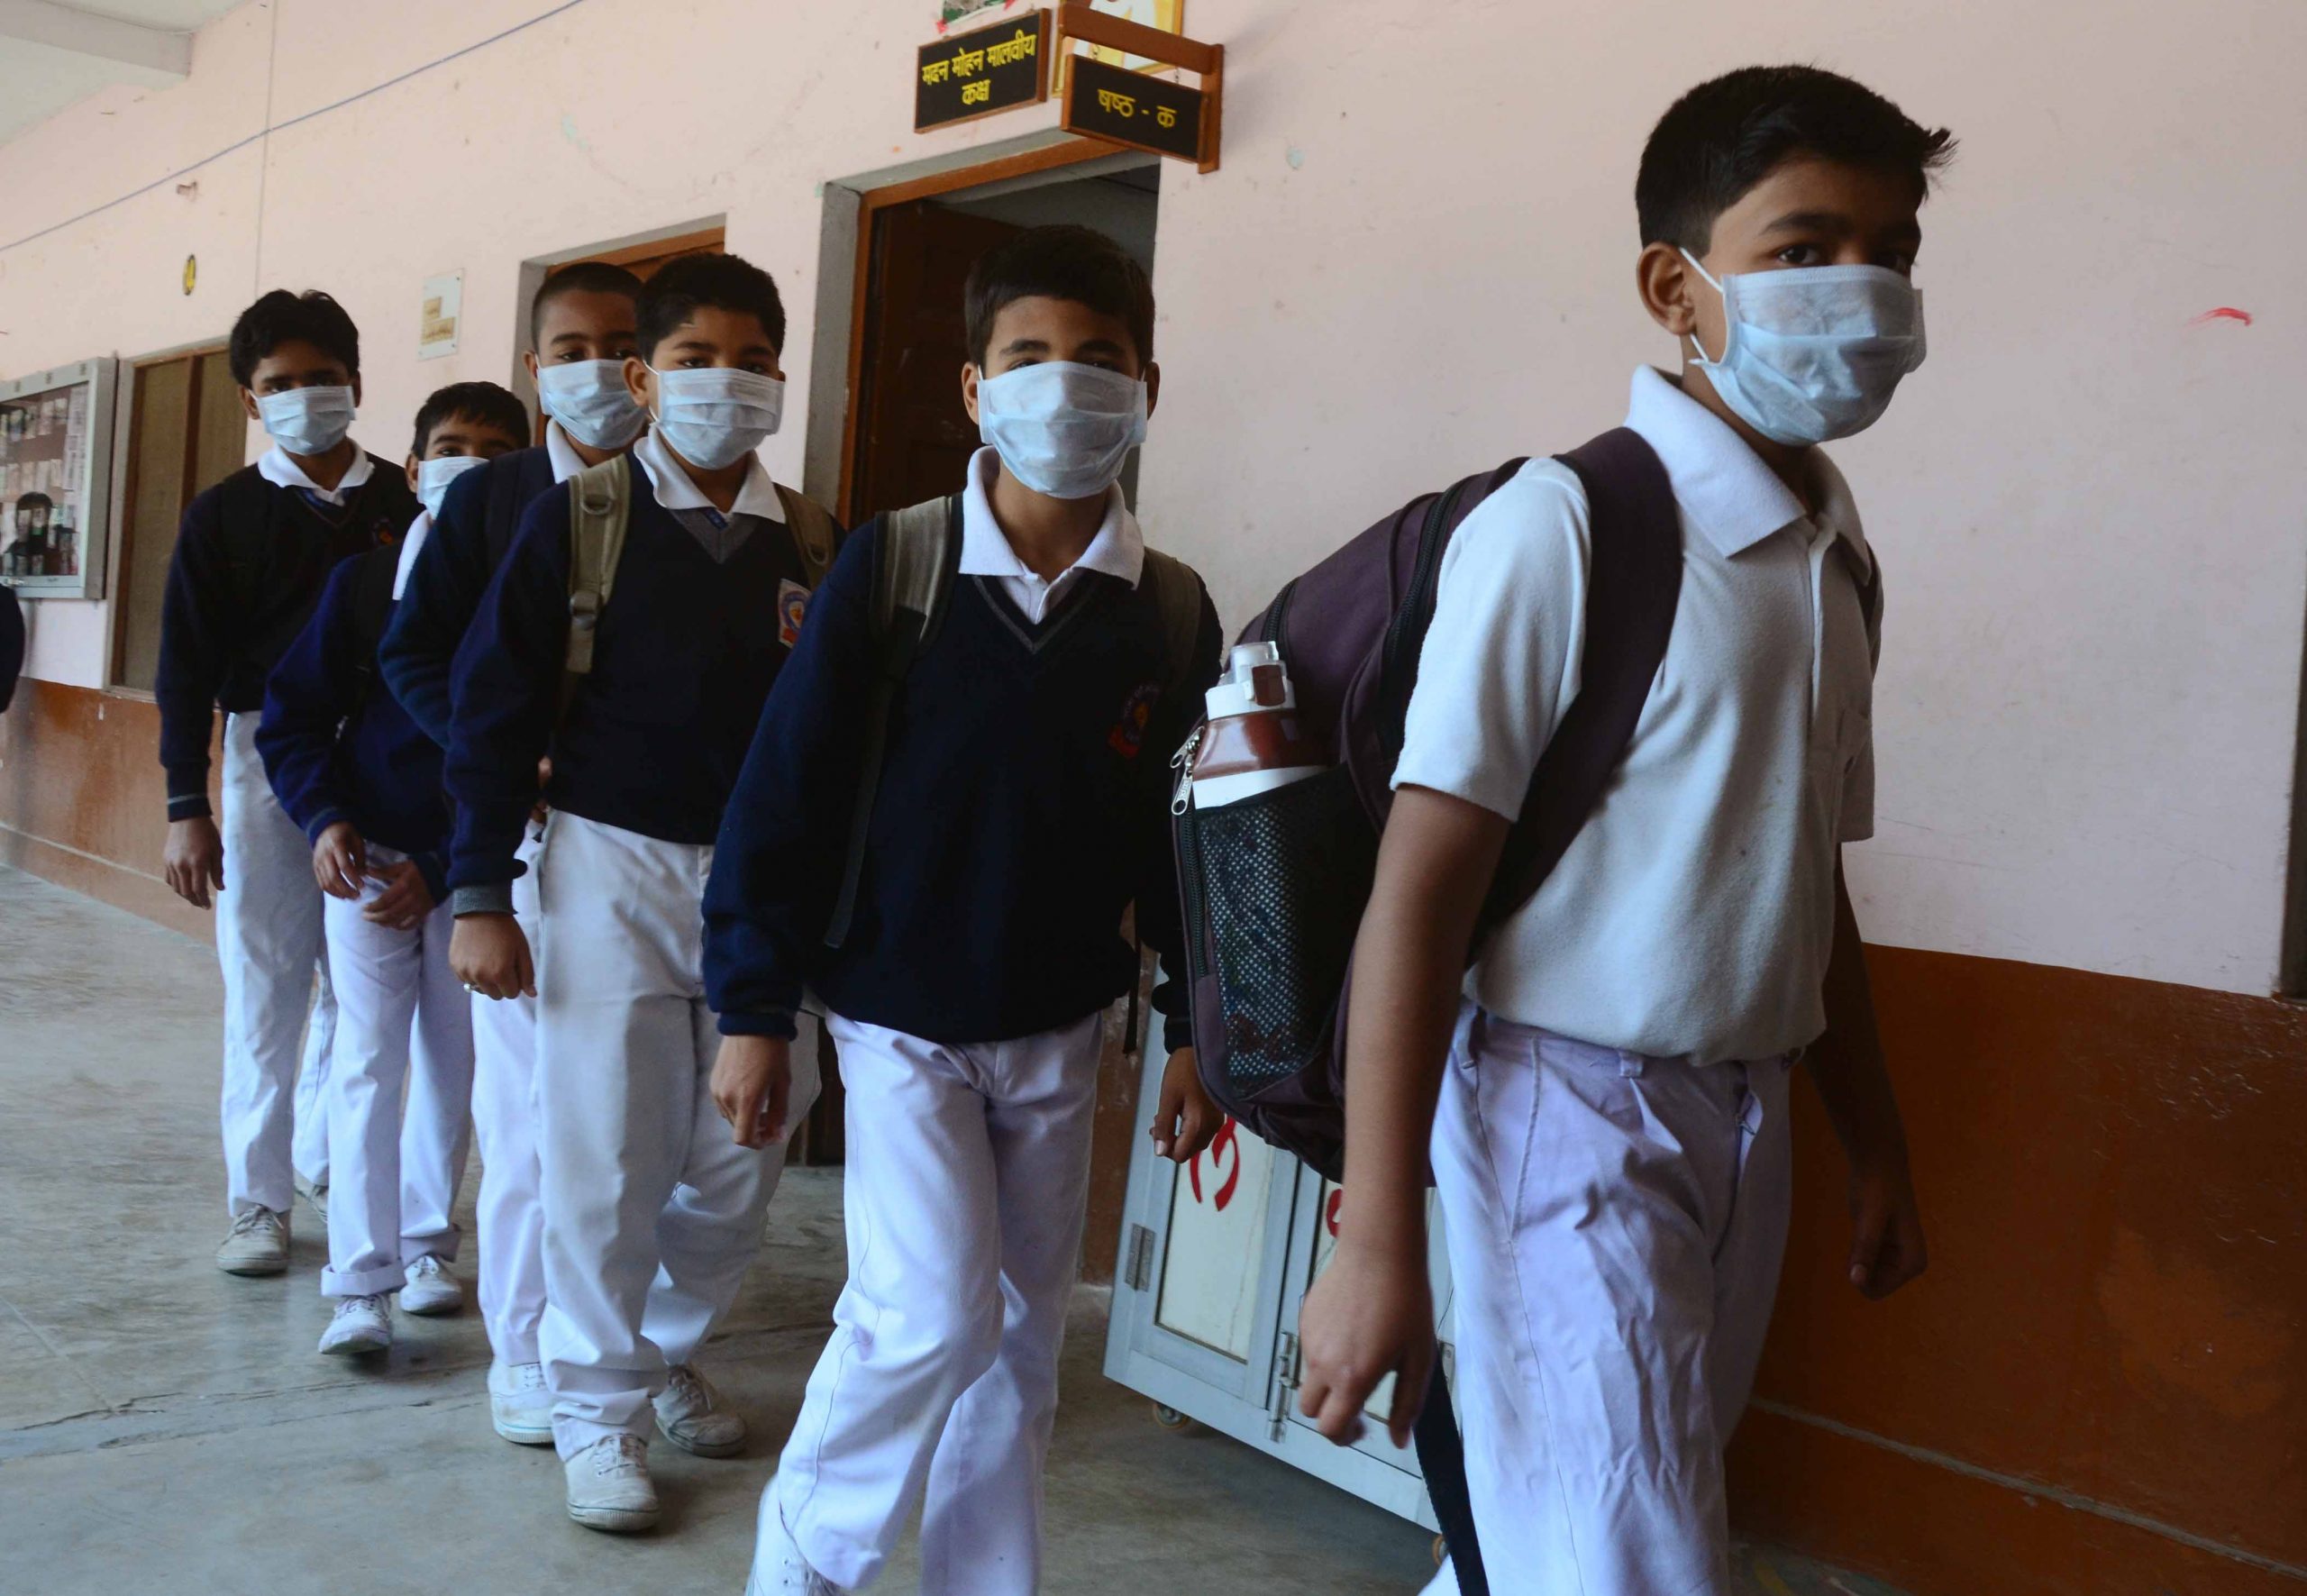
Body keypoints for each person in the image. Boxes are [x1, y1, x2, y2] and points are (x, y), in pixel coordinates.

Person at [1292, 66, 1944, 1595]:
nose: (1861, 287)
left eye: (1891, 249)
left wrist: (1875, 1139)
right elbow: (1420, 895)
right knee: (1624, 1561)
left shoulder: (1836, 559)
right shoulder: (1568, 526)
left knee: (1573, 1534)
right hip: (1563, 1116)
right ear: (1676, 283)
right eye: (1802, 250)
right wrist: (1380, 1232)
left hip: (1749, 1115)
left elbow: (1808, 882)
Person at [703, 224, 1226, 1596]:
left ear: (1148, 384)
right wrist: (753, 1008)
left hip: (1058, 1026)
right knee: (924, 1310)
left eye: (1099, 359)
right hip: (899, 1018)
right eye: (1030, 357)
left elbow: (1186, 843)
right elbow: (782, 797)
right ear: (974, 388)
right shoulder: (897, 566)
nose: (1067, 386)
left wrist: (1194, 1020)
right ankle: (807, 1562)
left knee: (1017, 1347)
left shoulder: (1166, 614)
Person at [444, 252, 839, 1532]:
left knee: (745, 1149)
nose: (726, 383)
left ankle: (663, 1343)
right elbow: (492, 711)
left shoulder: (819, 539)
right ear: (640, 376)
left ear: (782, 375)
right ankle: (596, 1413)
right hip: (608, 863)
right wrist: (479, 890)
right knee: (607, 1154)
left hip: (768, 875)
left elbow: (849, 735)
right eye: (693, 359)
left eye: (752, 360)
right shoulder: (584, 516)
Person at [378, 260, 651, 1446]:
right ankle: (525, 1345)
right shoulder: (485, 505)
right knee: (537, 1109)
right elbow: (411, 654)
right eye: (572, 346)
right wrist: (502, 753)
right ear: (537, 366)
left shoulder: (681, 500)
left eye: (622, 342)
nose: (598, 367)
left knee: (644, 1124)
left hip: (650, 852)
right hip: (523, 840)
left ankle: (636, 1346)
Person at [254, 380, 528, 1354]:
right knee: (368, 1061)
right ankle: (358, 1281)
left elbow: (534, 755)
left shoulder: (537, 591)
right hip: (365, 866)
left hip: (484, 874)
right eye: (453, 447)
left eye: (499, 452)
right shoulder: (365, 588)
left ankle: (424, 1248)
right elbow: (291, 721)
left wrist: (449, 862)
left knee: (460, 1068)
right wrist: (325, 819)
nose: (472, 466)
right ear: (413, 471)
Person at [156, 288, 416, 1276]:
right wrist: (187, 802)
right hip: (268, 757)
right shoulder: (225, 514)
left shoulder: (407, 500)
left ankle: (335, 1165)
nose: (304, 395)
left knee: (366, 989)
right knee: (267, 982)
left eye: (322, 377)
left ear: (357, 381)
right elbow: (184, 668)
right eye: (279, 384)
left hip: (390, 756)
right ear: (250, 399)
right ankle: (258, 1199)